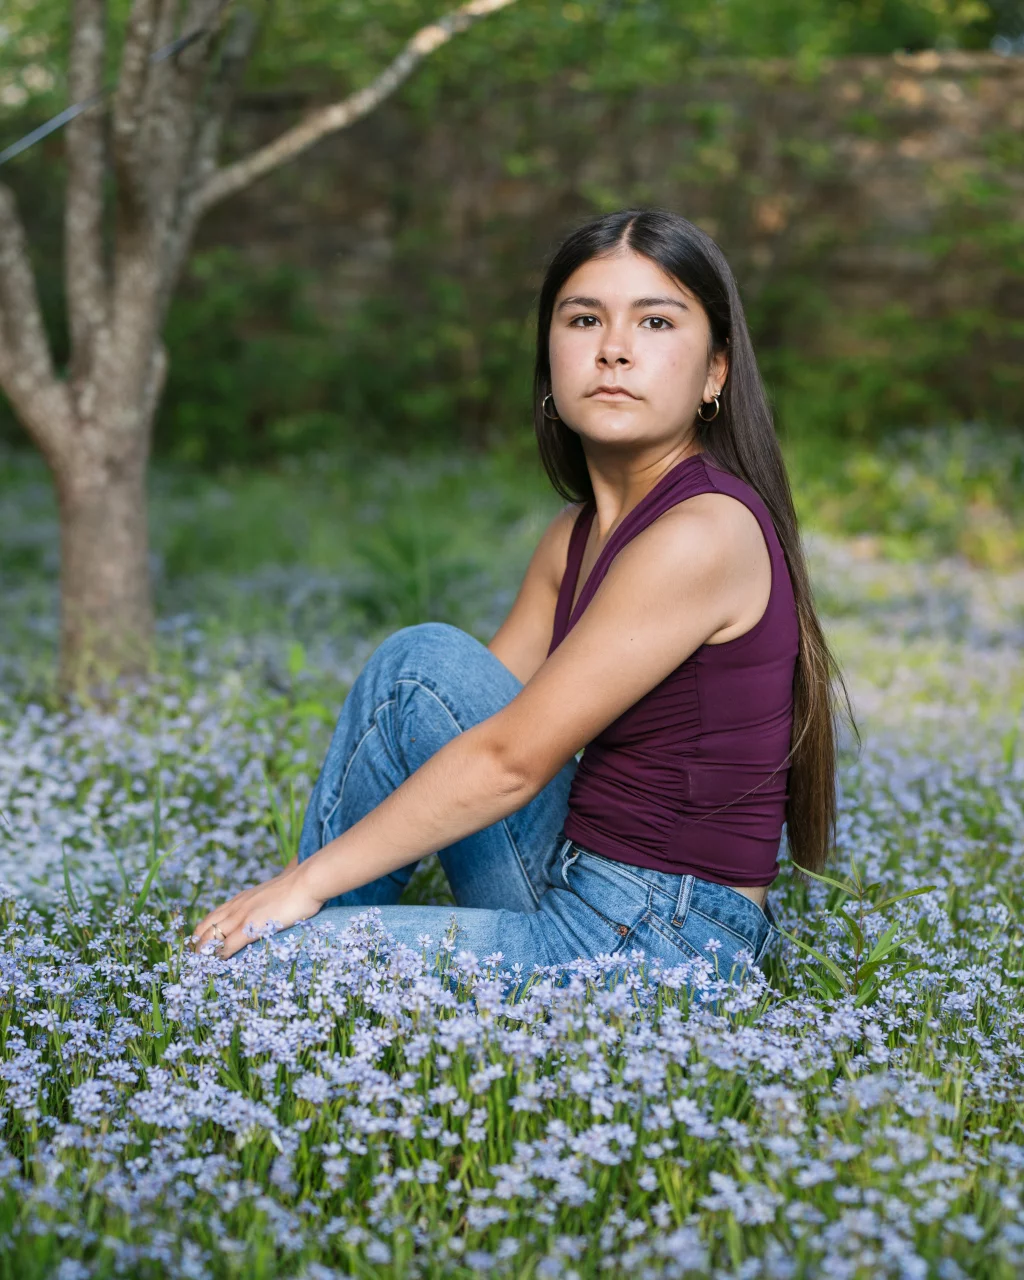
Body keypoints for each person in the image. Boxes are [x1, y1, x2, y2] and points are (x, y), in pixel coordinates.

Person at [190, 206, 855, 990]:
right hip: (576, 881)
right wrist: (306, 890)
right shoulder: (572, 538)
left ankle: (290, 932)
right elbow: (459, 726)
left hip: (665, 939)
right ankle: (298, 928)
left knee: (253, 962)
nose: (613, 349)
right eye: (584, 319)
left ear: (715, 372)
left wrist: (304, 886)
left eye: (655, 322)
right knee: (420, 665)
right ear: (550, 361)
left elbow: (509, 763)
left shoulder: (704, 531)